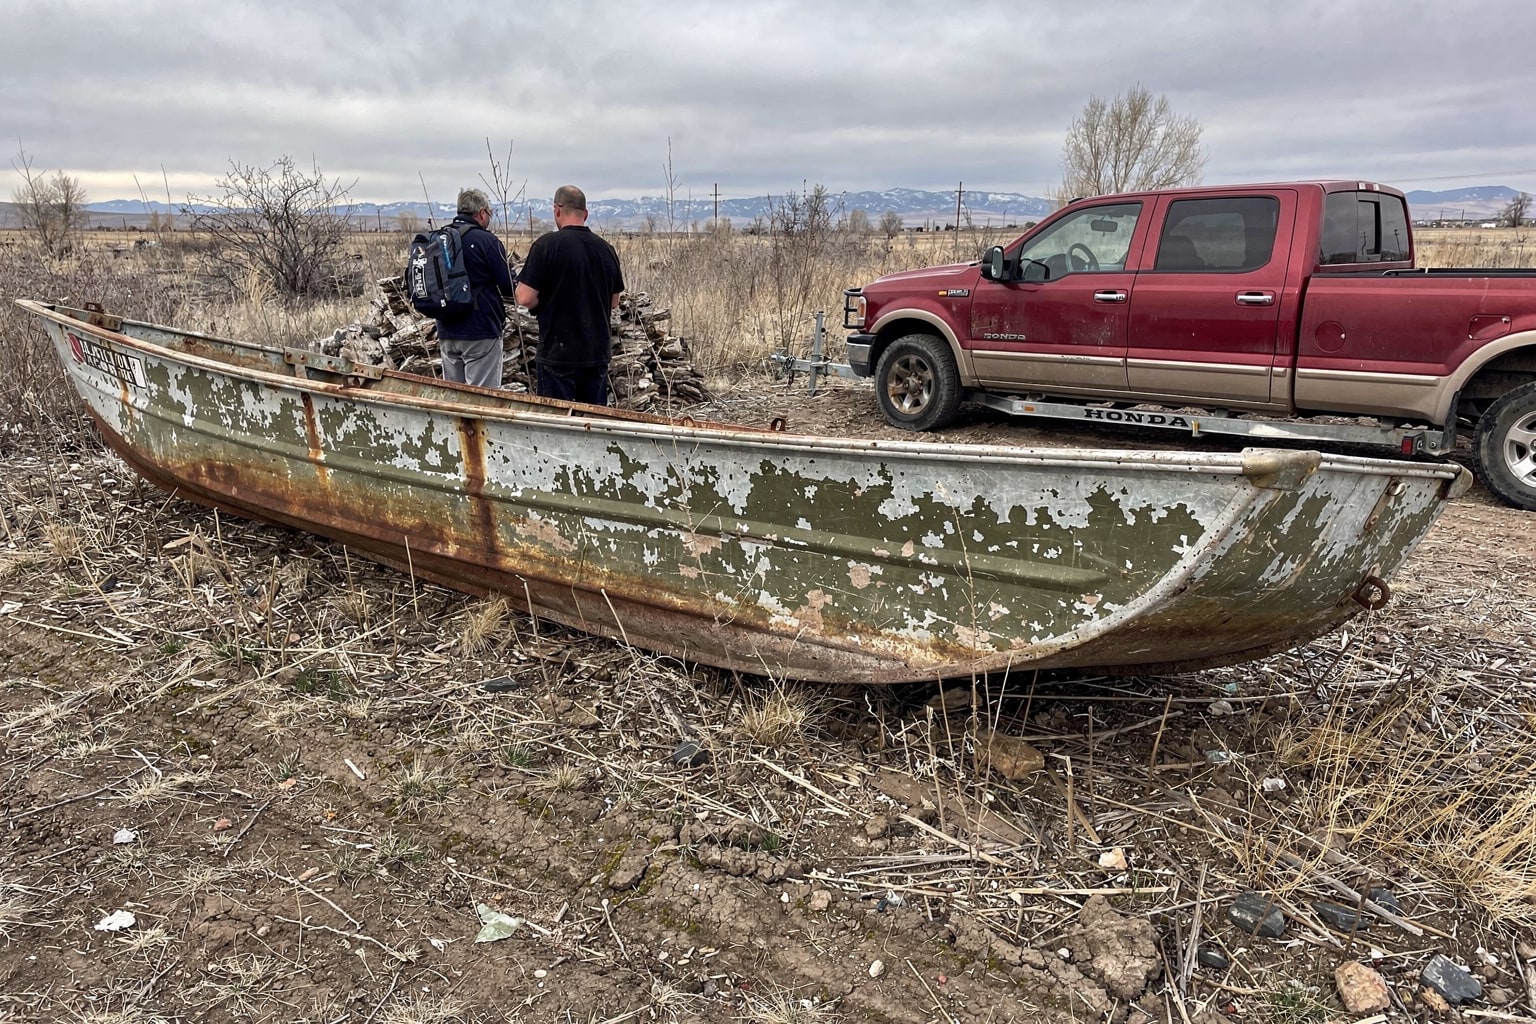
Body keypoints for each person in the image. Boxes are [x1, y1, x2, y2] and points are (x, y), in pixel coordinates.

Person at [515, 185, 625, 404]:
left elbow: (524, 297)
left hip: (558, 354)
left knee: (557, 425)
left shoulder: (546, 246)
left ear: (557, 210)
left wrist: (542, 304)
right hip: (596, 354)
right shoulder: (606, 250)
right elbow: (614, 302)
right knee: (592, 423)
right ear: (585, 214)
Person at [436, 188, 515, 388]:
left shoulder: (439, 239)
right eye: (490, 213)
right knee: (482, 401)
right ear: (481, 213)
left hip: (447, 329)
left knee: (455, 400)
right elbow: (508, 287)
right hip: (481, 330)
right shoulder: (487, 242)